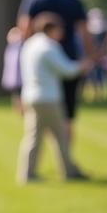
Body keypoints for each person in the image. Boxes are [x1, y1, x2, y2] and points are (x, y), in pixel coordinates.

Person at [18, 0, 93, 139]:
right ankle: (66, 161)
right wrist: (89, 57)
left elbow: (25, 28)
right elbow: (84, 32)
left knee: (37, 117)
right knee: (67, 115)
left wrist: (27, 52)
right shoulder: (73, 0)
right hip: (67, 57)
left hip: (41, 60)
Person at [17, 12, 90, 182]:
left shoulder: (29, 44)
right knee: (61, 137)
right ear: (51, 29)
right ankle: (69, 171)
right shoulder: (49, 46)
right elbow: (67, 70)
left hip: (30, 96)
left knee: (33, 137)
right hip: (48, 98)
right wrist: (83, 66)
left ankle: (27, 173)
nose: (62, 33)